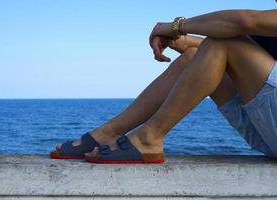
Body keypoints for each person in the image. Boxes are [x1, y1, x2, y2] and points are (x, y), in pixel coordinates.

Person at [50, 9, 277, 163]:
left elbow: (244, 23)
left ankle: (150, 137)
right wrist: (179, 39)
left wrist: (176, 26)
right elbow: (223, 48)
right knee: (191, 57)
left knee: (226, 41)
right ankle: (108, 133)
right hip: (266, 129)